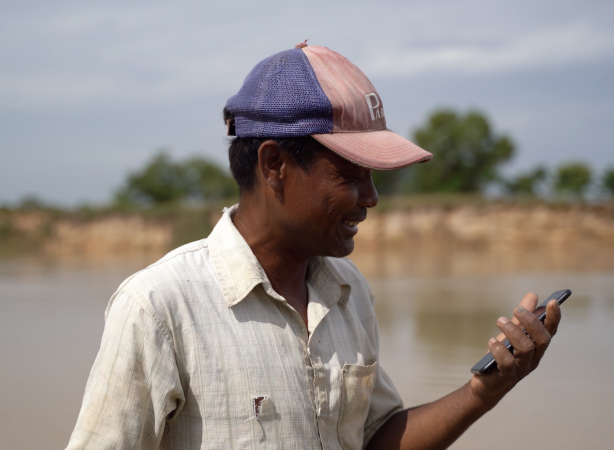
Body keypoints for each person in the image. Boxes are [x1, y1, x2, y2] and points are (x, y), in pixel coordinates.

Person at [65, 44, 562, 450]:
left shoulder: (347, 290)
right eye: (349, 175)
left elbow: (373, 439)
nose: (370, 198)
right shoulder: (159, 307)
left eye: (372, 177)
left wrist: (485, 390)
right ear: (274, 163)